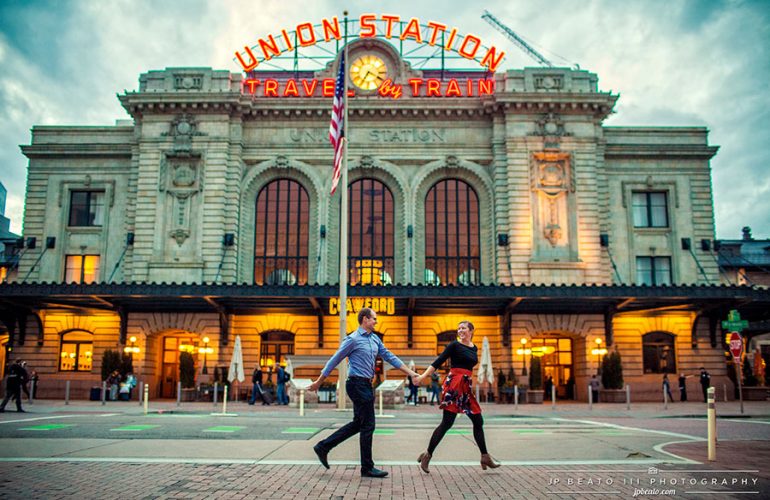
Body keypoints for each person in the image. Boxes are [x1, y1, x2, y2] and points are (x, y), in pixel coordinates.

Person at [308, 307, 419, 478]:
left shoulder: (375, 339)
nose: (376, 321)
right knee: (368, 425)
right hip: (356, 384)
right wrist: (319, 381)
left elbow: (390, 357)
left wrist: (411, 373)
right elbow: (334, 359)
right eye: (374, 318)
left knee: (359, 424)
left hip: (367, 385)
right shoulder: (352, 339)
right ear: (365, 319)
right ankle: (367, 467)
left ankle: (323, 446)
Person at [412, 321, 501, 473]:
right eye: (459, 328)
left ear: (471, 331)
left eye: (463, 328)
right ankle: (428, 455)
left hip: (466, 386)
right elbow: (437, 362)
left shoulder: (474, 347)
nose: (460, 330)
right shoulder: (454, 345)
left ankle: (484, 456)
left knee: (478, 420)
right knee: (447, 423)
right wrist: (422, 377)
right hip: (454, 385)